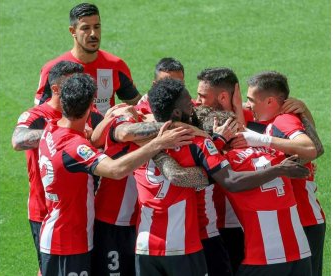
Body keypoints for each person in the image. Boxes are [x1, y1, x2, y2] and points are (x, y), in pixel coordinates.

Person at [132, 78, 309, 276]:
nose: (193, 103)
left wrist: (155, 148)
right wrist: (304, 114)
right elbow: (313, 150)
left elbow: (179, 175)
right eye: (188, 101)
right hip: (296, 251)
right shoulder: (270, 154)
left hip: (152, 243)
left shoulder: (136, 144)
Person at [38, 73, 195, 276]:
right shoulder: (75, 145)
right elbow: (115, 169)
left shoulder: (51, 130)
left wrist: (107, 121)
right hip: (71, 238)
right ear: (91, 105)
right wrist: (159, 143)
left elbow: (92, 140)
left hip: (67, 232)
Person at [197, 107, 313, 275]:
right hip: (300, 251)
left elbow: (204, 173)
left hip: (264, 256)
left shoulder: (226, 163)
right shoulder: (274, 149)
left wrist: (216, 141)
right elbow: (314, 149)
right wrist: (304, 111)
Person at [233, 71, 326, 276]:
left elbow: (310, 147)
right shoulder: (273, 122)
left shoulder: (283, 120)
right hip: (295, 220)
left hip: (304, 219)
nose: (248, 105)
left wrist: (259, 140)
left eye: (251, 100)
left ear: (270, 101)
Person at [11, 60, 86, 273]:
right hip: (43, 210)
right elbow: (18, 140)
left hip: (77, 211)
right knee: (46, 269)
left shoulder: (82, 112)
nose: (78, 89)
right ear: (55, 89)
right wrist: (61, 135)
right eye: (72, 85)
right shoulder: (36, 116)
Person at [34, 3, 141, 115]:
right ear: (73, 31)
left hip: (106, 131)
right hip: (68, 132)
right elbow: (40, 116)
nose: (93, 34)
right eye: (86, 28)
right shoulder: (52, 69)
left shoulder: (116, 66)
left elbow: (137, 105)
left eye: (97, 27)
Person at [195, 67, 246, 273]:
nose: (197, 100)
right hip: (209, 225)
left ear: (223, 96)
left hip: (236, 224)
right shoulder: (198, 116)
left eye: (202, 96)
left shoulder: (253, 118)